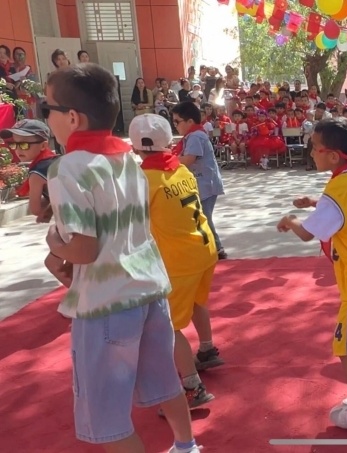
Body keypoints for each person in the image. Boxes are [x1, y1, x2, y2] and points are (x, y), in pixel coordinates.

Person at [41, 63, 200, 453]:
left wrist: (54, 247)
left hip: (106, 303)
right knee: (165, 382)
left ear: (73, 117)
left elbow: (82, 248)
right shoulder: (129, 159)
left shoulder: (67, 168)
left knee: (107, 416)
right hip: (149, 291)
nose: (46, 118)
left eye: (48, 109)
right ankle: (186, 446)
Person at [277, 118, 347, 429]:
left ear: (332, 155)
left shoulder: (339, 188)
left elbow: (307, 234)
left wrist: (289, 219)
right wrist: (315, 202)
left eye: (314, 148)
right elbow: (345, 210)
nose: (310, 152)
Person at [129, 114, 219, 413]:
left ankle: (192, 388)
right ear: (169, 141)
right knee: (196, 302)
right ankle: (206, 350)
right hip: (204, 249)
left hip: (178, 260)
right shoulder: (181, 170)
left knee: (169, 326)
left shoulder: (142, 179)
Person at [171, 101, 228, 261]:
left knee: (202, 216)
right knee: (200, 216)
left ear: (190, 121)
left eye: (177, 121)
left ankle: (216, 248)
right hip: (202, 184)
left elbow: (188, 159)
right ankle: (212, 247)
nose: (175, 125)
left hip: (206, 185)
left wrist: (169, 160)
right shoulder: (192, 135)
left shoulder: (195, 136)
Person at [0, 120, 57, 222]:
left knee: (52, 237)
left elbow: (35, 209)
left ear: (43, 146)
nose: (18, 150)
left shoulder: (37, 173)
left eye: (24, 144)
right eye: (14, 144)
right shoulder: (55, 162)